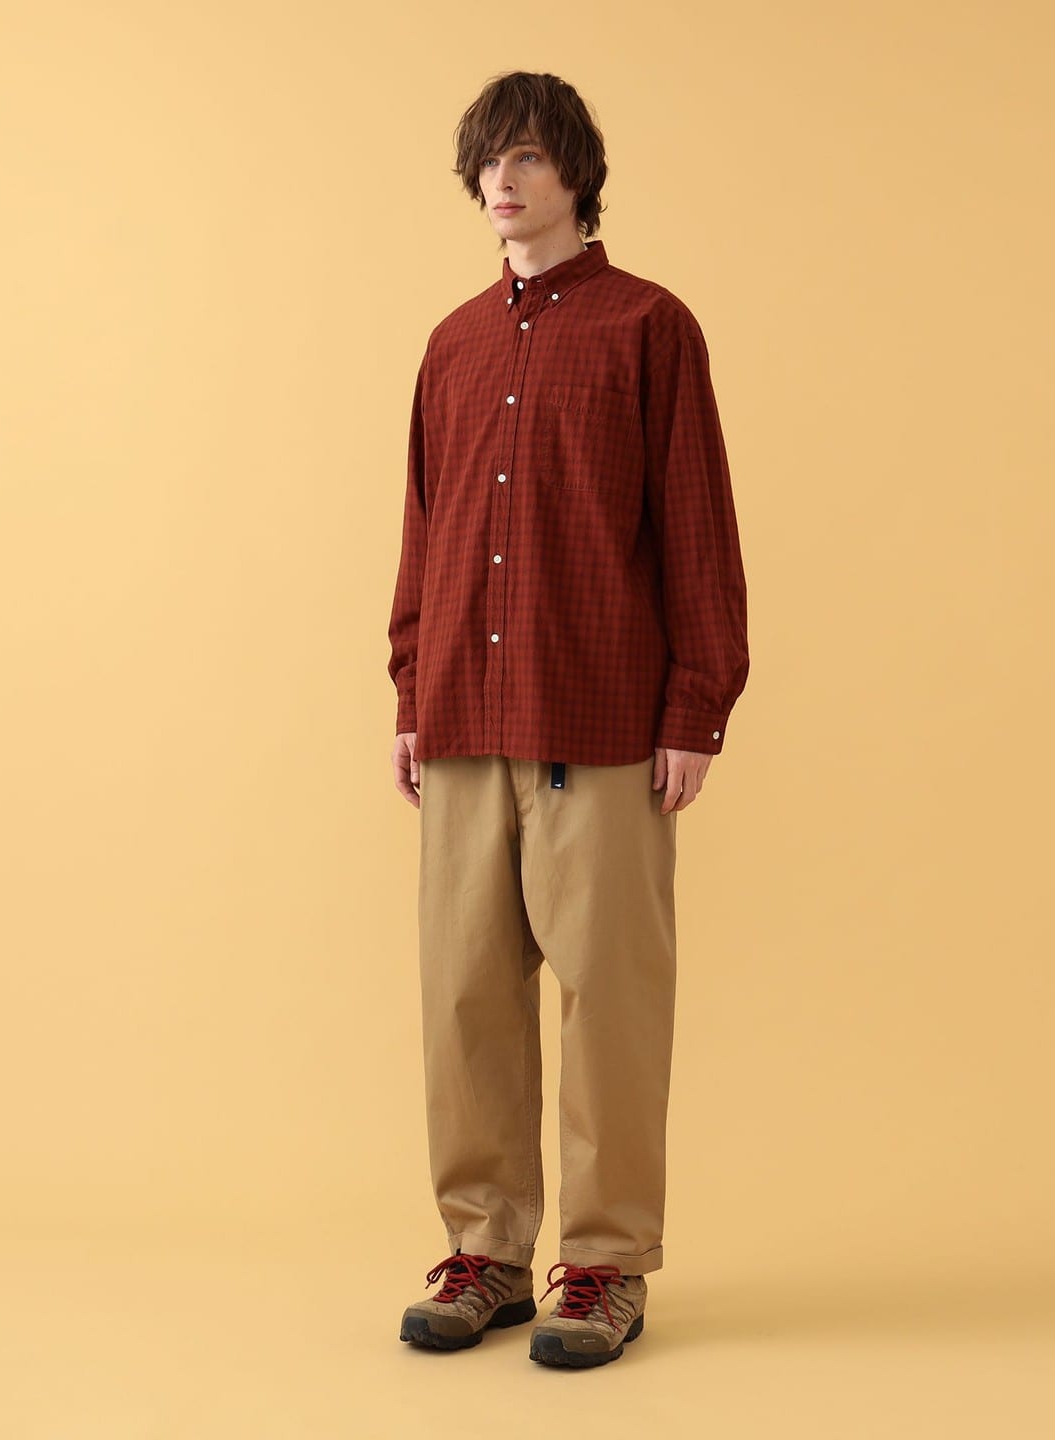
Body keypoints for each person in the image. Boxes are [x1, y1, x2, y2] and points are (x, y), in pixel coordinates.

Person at [386, 70, 749, 1368]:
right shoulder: (453, 343)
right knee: (464, 998)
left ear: (578, 174)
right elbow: (426, 527)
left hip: (599, 719)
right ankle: (486, 1252)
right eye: (490, 158)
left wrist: (696, 704)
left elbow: (696, 525)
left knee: (612, 1002)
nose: (505, 178)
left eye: (531, 156)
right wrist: (411, 688)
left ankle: (602, 1265)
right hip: (464, 714)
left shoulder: (650, 327)